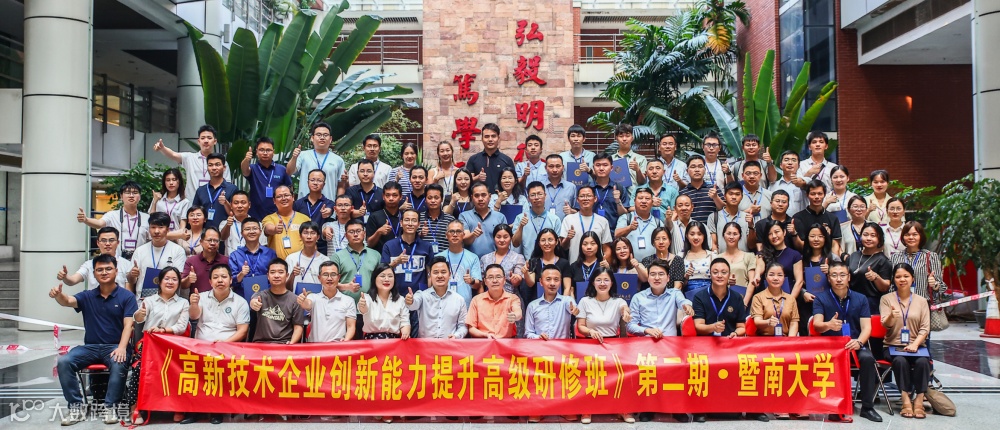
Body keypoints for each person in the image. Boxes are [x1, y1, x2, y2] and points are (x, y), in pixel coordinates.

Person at [52, 254, 137, 425]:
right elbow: (67, 301)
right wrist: (58, 295)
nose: (104, 272)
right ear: (94, 273)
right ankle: (76, 408)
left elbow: (129, 325)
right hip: (90, 347)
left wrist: (122, 347)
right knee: (64, 362)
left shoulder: (127, 297)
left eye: (108, 269)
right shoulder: (87, 296)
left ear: (116, 271)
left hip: (115, 346)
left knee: (119, 362)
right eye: (99, 270)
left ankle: (110, 407)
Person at [812, 261, 881, 423]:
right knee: (830, 360)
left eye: (842, 275)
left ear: (849, 277)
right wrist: (828, 325)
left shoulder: (860, 298)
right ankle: (835, 406)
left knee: (868, 359)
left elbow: (867, 328)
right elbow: (817, 324)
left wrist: (859, 342)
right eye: (834, 275)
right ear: (828, 278)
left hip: (854, 345)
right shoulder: (821, 298)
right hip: (831, 347)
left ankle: (867, 407)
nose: (838, 279)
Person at [126, 266, 189, 425]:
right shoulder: (148, 300)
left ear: (179, 283)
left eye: (174, 279)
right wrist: (139, 314)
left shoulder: (183, 303)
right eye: (166, 279)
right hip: (150, 345)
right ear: (159, 282)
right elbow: (139, 320)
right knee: (139, 368)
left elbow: (181, 327)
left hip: (173, 345)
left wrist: (164, 330)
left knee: (179, 368)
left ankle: (178, 407)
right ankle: (135, 408)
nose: (170, 282)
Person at [575, 266, 633, 424]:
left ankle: (623, 409)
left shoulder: (618, 301)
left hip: (613, 345)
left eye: (606, 280)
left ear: (612, 283)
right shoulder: (585, 301)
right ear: (593, 282)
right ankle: (587, 410)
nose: (602, 283)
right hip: (591, 345)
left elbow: (625, 309)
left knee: (619, 377)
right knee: (589, 377)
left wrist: (626, 314)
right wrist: (590, 331)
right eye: (599, 280)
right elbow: (581, 326)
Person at [525, 263, 579, 422]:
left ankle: (565, 408)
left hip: (563, 352)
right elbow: (528, 333)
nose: (552, 283)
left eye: (556, 279)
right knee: (540, 381)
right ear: (541, 282)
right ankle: (539, 409)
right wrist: (537, 337)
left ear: (560, 282)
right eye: (548, 279)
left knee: (564, 381)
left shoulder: (567, 301)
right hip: (540, 352)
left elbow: (575, 310)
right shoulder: (533, 306)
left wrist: (576, 311)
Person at [880, 263, 931, 419]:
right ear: (893, 280)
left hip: (917, 346)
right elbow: (885, 324)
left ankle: (919, 400)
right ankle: (905, 400)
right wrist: (891, 316)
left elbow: (925, 328)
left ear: (912, 278)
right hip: (893, 346)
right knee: (900, 361)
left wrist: (915, 344)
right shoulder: (886, 299)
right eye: (898, 277)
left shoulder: (922, 301)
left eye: (906, 276)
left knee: (923, 362)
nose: (902, 279)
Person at [331, 219, 381, 339]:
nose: (355, 234)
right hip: (343, 310)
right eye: (351, 232)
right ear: (345, 235)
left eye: (358, 231)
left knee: (368, 346)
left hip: (370, 309)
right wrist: (346, 286)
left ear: (364, 233)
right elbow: (329, 283)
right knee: (346, 345)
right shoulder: (337, 256)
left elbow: (381, 281)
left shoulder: (376, 255)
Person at [151, 126, 232, 200]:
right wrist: (162, 148)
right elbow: (173, 154)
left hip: (214, 202)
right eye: (203, 138)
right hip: (192, 203)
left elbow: (227, 184)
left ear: (215, 141)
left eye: (209, 138)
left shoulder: (222, 163)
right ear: (198, 141)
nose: (206, 141)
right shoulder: (190, 158)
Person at [77, 181, 150, 259]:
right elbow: (99, 224)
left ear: (140, 196)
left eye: (135, 193)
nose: (131, 196)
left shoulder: (147, 218)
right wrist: (86, 220)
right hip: (116, 261)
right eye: (127, 193)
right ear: (121, 196)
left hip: (139, 261)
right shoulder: (112, 215)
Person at [404, 256, 468, 339]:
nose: (440, 276)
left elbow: (463, 326)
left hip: (449, 345)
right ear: (430, 275)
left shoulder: (459, 300)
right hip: (425, 345)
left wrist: (456, 336)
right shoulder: (422, 295)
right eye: (436, 272)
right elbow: (413, 305)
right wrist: (410, 301)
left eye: (443, 272)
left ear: (449, 275)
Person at [128, 212, 187, 298]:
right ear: (149, 229)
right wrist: (132, 274)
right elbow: (131, 281)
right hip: (143, 300)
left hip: (168, 301)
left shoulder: (177, 251)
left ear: (167, 229)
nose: (156, 231)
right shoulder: (140, 251)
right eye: (153, 227)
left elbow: (177, 278)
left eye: (160, 227)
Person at [190, 264, 251, 344]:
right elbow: (193, 317)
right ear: (210, 282)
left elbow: (243, 331)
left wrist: (223, 343)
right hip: (201, 346)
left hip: (228, 347)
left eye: (224, 277)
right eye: (215, 277)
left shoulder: (241, 302)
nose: (220, 280)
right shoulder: (201, 297)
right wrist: (194, 304)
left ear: (231, 280)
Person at [248, 258, 305, 344]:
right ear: (268, 276)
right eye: (272, 272)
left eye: (281, 272)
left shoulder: (295, 300)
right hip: (261, 344)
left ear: (287, 275)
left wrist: (291, 343)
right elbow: (253, 300)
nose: (276, 275)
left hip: (284, 344)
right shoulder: (260, 296)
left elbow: (298, 327)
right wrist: (253, 303)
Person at [298, 261, 357, 342]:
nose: (329, 278)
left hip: (337, 347)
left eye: (333, 274)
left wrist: (346, 341)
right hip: (315, 347)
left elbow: (351, 326)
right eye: (325, 274)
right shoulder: (313, 297)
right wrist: (303, 301)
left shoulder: (348, 301)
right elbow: (307, 304)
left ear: (339, 277)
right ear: (319, 278)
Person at [286, 122, 347, 199]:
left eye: (325, 135)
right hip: (305, 203)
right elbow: (289, 172)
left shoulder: (338, 160)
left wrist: (338, 202)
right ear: (312, 138)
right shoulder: (303, 155)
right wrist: (294, 157)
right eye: (318, 135)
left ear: (330, 139)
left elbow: (341, 185)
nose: (322, 138)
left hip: (328, 203)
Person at [58, 226, 132, 289]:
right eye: (103, 240)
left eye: (111, 240)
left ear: (118, 243)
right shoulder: (89, 264)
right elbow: (72, 281)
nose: (107, 243)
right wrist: (65, 277)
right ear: (98, 243)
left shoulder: (127, 265)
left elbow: (128, 293)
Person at [381, 208, 434, 294]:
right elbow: (382, 273)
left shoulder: (427, 246)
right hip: (395, 295)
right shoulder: (389, 246)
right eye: (407, 220)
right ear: (401, 223)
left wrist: (429, 293)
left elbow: (430, 273)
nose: (410, 224)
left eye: (414, 220)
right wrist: (396, 262)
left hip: (420, 295)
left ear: (418, 224)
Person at [241, 136, 293, 220]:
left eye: (268, 150)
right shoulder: (253, 168)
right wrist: (246, 159)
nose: (265, 153)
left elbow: (290, 188)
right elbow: (244, 170)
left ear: (273, 152)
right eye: (261, 150)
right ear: (257, 152)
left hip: (278, 215)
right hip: (256, 214)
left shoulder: (282, 169)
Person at [890, 221, 945, 300]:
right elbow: (891, 285)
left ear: (921, 236)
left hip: (923, 303)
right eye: (907, 234)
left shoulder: (930, 257)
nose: (911, 237)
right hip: (900, 303)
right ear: (903, 237)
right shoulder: (895, 257)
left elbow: (942, 288)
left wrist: (935, 284)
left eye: (915, 234)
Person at [846, 222, 892, 315]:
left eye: (873, 235)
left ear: (879, 239)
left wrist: (876, 277)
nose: (868, 238)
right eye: (865, 235)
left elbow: (885, 287)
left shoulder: (883, 260)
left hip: (871, 303)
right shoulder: (854, 255)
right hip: (851, 300)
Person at [801, 223, 839, 334]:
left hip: (829, 302)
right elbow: (796, 280)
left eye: (820, 236)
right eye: (812, 236)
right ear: (807, 238)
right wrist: (803, 293)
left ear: (825, 238)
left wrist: (831, 272)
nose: (816, 239)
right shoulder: (802, 259)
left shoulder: (833, 258)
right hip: (808, 303)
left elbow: (843, 281)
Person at [752, 220, 804, 301]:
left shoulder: (795, 255)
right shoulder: (762, 253)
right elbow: (760, 266)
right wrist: (757, 275)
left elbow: (799, 281)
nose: (774, 236)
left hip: (788, 297)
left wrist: (790, 301)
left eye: (777, 232)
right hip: (766, 300)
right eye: (770, 234)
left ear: (784, 232)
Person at [466, 264, 522, 339]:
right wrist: (485, 335)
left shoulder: (513, 298)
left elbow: (518, 312)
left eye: (498, 277)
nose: (495, 281)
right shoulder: (476, 300)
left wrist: (514, 316)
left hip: (506, 343)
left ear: (504, 280)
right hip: (484, 342)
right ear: (485, 281)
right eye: (490, 277)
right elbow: (471, 328)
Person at [358, 263, 411, 340]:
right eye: (382, 276)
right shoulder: (367, 298)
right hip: (371, 342)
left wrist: (405, 332)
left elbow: (405, 321)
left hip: (394, 342)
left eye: (390, 276)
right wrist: (362, 305)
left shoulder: (401, 300)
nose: (386, 279)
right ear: (374, 279)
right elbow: (363, 310)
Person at [560, 186, 613, 262]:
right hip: (575, 265)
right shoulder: (568, 219)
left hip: (596, 267)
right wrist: (568, 238)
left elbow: (606, 249)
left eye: (589, 196)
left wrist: (604, 263)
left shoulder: (603, 221)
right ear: (577, 200)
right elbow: (563, 247)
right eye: (582, 196)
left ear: (595, 199)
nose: (585, 198)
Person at [227, 217, 278, 296]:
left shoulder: (270, 253)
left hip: (267, 297)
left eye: (254, 228)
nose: (251, 232)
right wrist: (241, 274)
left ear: (260, 231)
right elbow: (230, 281)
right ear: (242, 233)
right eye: (247, 229)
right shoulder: (235, 255)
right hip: (242, 298)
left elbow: (276, 276)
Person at [792, 179, 843, 256]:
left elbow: (835, 244)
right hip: (806, 258)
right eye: (813, 194)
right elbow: (800, 244)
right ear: (807, 195)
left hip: (827, 258)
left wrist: (834, 260)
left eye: (820, 194)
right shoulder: (798, 218)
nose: (816, 197)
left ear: (824, 195)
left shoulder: (833, 218)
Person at [437, 219, 482, 305]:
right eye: (451, 231)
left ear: (463, 235)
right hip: (442, 305)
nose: (455, 234)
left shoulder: (473, 257)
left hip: (465, 305)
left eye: (458, 231)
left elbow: (477, 285)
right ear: (446, 235)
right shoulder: (438, 258)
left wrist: (471, 281)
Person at [512, 181, 562, 256]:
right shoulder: (520, 218)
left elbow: (558, 245)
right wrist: (521, 226)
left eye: (539, 194)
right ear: (528, 198)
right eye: (533, 195)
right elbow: (515, 244)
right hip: (527, 261)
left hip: (549, 261)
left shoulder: (555, 219)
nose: (536, 197)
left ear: (545, 195)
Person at [190, 153, 238, 230]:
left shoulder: (232, 189)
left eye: (217, 165)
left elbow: (236, 213)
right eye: (210, 165)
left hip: (226, 232)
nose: (214, 168)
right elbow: (194, 212)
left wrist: (226, 203)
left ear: (224, 168)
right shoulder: (201, 190)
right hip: (205, 233)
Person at [524, 228, 572, 304]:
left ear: (556, 242)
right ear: (539, 243)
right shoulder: (534, 261)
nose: (546, 243)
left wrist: (562, 305)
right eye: (543, 240)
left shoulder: (564, 263)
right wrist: (525, 273)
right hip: (539, 304)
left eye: (550, 240)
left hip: (558, 304)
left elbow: (567, 287)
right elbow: (531, 283)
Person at [261, 185, 310, 260]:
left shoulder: (305, 219)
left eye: (286, 195)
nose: (283, 198)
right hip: (277, 264)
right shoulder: (269, 218)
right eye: (279, 196)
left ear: (293, 197)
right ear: (274, 201)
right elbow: (267, 229)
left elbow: (312, 242)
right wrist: (274, 229)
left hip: (300, 263)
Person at [459, 181, 508, 256]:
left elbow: (505, 241)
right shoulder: (464, 216)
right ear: (472, 198)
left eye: (483, 195)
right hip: (471, 260)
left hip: (494, 260)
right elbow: (465, 240)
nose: (480, 199)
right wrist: (473, 234)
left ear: (490, 196)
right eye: (476, 196)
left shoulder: (500, 217)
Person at [750, 262, 799, 336]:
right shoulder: (758, 297)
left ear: (784, 278)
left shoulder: (791, 299)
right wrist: (768, 322)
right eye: (771, 275)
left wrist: (790, 340)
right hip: (764, 339)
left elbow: (794, 323)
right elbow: (757, 321)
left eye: (780, 275)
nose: (775, 278)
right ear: (766, 277)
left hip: (785, 339)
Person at [615, 188, 664, 262]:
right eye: (640, 198)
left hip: (652, 265)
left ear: (652, 202)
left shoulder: (658, 222)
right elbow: (616, 235)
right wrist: (629, 228)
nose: (644, 201)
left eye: (647, 199)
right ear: (634, 201)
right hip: (630, 264)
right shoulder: (626, 218)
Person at [479, 224, 525, 299]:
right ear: (494, 238)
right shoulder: (485, 258)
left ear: (511, 238)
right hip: (489, 300)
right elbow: (481, 283)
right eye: (498, 237)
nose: (502, 240)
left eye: (505, 237)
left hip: (510, 300)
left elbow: (518, 279)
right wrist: (481, 300)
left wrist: (516, 279)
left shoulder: (518, 257)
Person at [465, 123, 515, 191]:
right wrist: (477, 178)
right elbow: (466, 182)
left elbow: (514, 182)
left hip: (501, 197)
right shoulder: (473, 159)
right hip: (480, 196)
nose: (490, 139)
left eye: (493, 136)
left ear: (498, 138)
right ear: (482, 139)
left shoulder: (507, 160)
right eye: (486, 136)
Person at [293, 170, 335, 248]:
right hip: (301, 245)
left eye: (319, 181)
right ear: (307, 182)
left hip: (321, 246)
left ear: (324, 184)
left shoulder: (329, 203)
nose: (315, 183)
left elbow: (330, 210)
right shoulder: (298, 204)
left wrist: (328, 211)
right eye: (312, 180)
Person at [181, 227, 228, 297]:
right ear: (201, 242)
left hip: (220, 301)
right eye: (209, 240)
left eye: (216, 241)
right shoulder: (191, 261)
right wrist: (188, 279)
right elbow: (183, 285)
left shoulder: (226, 261)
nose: (212, 243)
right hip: (197, 301)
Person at [707, 182, 752, 252]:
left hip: (743, 258)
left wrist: (751, 226)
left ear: (742, 197)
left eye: (737, 194)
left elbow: (751, 245)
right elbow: (713, 243)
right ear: (725, 196)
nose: (734, 197)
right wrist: (717, 257)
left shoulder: (747, 217)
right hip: (722, 258)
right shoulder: (714, 217)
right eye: (731, 194)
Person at [589, 153, 630, 229]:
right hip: (591, 232)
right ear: (593, 167)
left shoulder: (619, 188)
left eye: (605, 165)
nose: (601, 168)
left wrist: (618, 201)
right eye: (598, 165)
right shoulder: (587, 189)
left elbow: (624, 215)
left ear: (611, 168)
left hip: (613, 232)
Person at [285, 222, 330, 290]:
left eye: (312, 233)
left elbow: (328, 286)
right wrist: (292, 275)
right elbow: (286, 289)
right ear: (300, 236)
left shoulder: (325, 260)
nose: (309, 237)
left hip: (318, 296)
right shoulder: (291, 258)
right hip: (296, 296)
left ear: (318, 237)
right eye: (305, 233)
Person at [679, 155, 723, 224]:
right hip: (690, 229)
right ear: (687, 171)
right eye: (693, 167)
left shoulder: (714, 189)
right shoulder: (682, 193)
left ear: (705, 170)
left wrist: (715, 197)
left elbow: (724, 210)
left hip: (711, 229)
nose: (697, 170)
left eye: (700, 166)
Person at [640, 226, 685, 291]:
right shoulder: (647, 260)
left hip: (672, 295)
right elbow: (645, 280)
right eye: (657, 239)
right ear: (653, 242)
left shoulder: (678, 260)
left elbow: (678, 286)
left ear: (669, 241)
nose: (661, 242)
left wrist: (670, 296)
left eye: (664, 239)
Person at [719, 222, 757, 298]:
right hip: (722, 299)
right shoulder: (717, 258)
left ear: (740, 236)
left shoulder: (749, 256)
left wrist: (745, 302)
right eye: (728, 233)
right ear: (723, 235)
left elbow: (752, 282)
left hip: (743, 298)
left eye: (735, 234)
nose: (731, 237)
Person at [609, 123, 647, 197]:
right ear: (616, 138)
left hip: (635, 198)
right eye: (621, 136)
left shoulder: (641, 159)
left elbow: (642, 182)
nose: (624, 139)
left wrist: (638, 170)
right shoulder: (610, 159)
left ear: (632, 138)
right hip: (614, 197)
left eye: (627, 136)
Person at [149, 168, 190, 233]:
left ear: (179, 182)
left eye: (174, 180)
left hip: (176, 236)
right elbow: (151, 219)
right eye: (168, 180)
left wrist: (171, 236)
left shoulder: (184, 202)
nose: (171, 183)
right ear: (164, 182)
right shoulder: (158, 198)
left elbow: (182, 227)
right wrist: (155, 201)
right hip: (158, 235)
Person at [366, 181, 403, 252]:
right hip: (380, 256)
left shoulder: (405, 216)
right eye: (387, 195)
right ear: (383, 197)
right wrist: (378, 232)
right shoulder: (374, 216)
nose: (391, 198)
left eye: (394, 195)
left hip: (403, 255)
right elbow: (369, 244)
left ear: (400, 197)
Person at [418, 184, 454, 254]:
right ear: (425, 199)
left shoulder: (450, 220)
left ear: (442, 199)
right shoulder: (418, 218)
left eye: (436, 198)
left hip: (444, 258)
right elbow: (410, 240)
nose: (433, 201)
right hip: (423, 258)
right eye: (430, 198)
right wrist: (420, 234)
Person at [345, 159, 384, 223]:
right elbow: (344, 211)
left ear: (374, 173)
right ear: (357, 173)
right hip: (355, 227)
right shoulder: (350, 191)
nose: (365, 174)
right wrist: (356, 212)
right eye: (362, 171)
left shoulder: (381, 193)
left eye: (369, 171)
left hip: (377, 227)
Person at [542, 154, 577, 222]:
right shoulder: (540, 187)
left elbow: (577, 211)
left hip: (564, 226)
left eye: (558, 166)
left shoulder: (571, 187)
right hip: (543, 226)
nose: (555, 170)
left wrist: (572, 211)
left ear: (563, 167)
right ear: (545, 168)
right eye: (551, 166)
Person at [770, 150, 806, 216]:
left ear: (798, 166)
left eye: (793, 160)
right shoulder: (773, 186)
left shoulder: (804, 184)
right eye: (786, 160)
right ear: (781, 165)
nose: (790, 163)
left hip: (799, 221)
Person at [682, 221, 715, 293]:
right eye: (692, 234)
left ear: (704, 236)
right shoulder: (680, 256)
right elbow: (677, 286)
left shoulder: (712, 256)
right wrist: (686, 277)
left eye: (699, 234)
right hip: (687, 296)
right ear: (687, 236)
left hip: (708, 295)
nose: (696, 237)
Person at [219, 190, 251, 255]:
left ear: (249, 205)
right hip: (230, 260)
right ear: (231, 205)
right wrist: (228, 225)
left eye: (243, 202)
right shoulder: (224, 223)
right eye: (236, 203)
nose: (239, 206)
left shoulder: (257, 225)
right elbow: (222, 238)